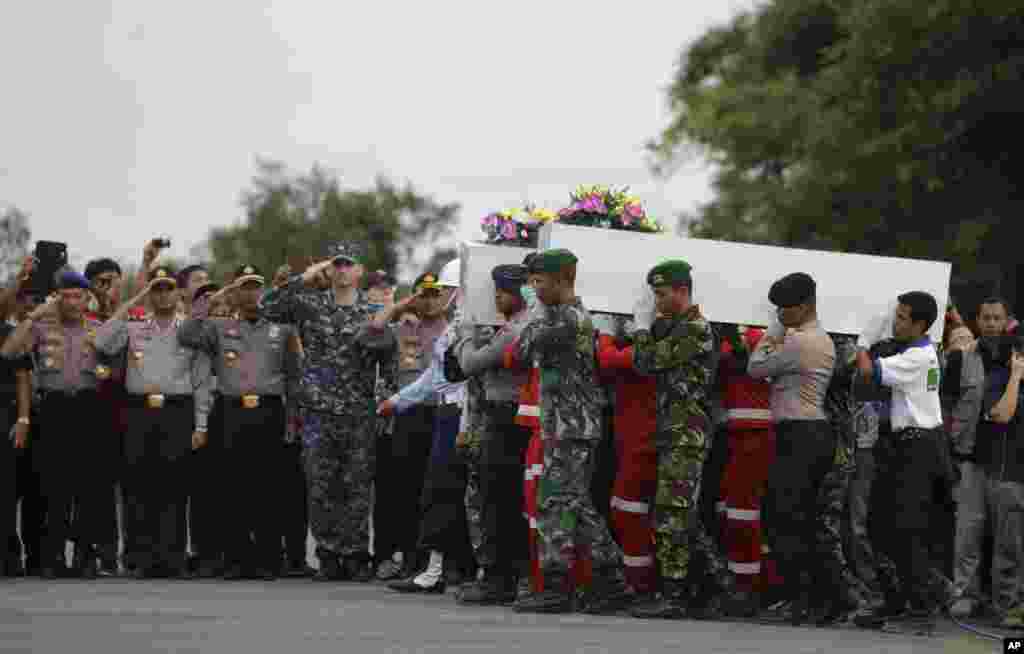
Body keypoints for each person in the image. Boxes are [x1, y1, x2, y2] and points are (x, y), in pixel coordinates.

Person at [504, 248, 625, 614]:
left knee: (555, 502)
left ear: (562, 281)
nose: (535, 291)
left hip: (572, 425)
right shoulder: (559, 315)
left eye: (539, 283)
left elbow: (521, 350)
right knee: (573, 503)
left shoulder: (568, 319)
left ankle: (558, 585)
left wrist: (535, 314)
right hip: (564, 423)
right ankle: (610, 578)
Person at [261, 243, 381, 581]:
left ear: (359, 271)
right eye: (336, 264)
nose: (342, 270)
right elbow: (267, 306)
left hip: (358, 412)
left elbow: (385, 361)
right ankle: (328, 553)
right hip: (318, 411)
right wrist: (305, 277)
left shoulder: (372, 312)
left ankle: (355, 553)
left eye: (349, 264)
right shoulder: (310, 306)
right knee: (320, 484)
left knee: (357, 486)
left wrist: (384, 406)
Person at [180, 264, 302, 580]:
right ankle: (235, 559)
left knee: (267, 489)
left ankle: (267, 559)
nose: (250, 293)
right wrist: (216, 296)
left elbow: (292, 378)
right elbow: (187, 333)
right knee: (231, 488)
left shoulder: (281, 330)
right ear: (235, 292)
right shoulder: (218, 328)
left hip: (269, 411)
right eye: (244, 287)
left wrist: (292, 421)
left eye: (255, 287)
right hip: (231, 411)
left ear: (261, 292)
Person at [626, 259, 731, 619]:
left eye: (661, 293)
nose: (656, 301)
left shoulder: (695, 329)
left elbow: (645, 362)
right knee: (677, 513)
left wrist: (641, 330)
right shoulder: (677, 326)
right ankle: (720, 587)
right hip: (675, 430)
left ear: (683, 291)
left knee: (673, 514)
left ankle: (677, 594)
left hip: (686, 432)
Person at [95, 264, 214, 579]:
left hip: (177, 410)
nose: (162, 294)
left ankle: (172, 557)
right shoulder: (135, 325)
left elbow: (201, 380)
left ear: (178, 293)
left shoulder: (190, 328)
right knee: (139, 484)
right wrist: (136, 298)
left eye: (168, 288)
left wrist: (201, 424)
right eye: (157, 288)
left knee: (174, 485)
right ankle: (141, 557)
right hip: (139, 411)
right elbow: (102, 341)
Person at [852, 292, 952, 632]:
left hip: (918, 448)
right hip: (908, 446)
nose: (896, 322)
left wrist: (864, 342)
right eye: (896, 315)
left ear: (921, 325)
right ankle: (900, 597)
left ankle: (927, 600)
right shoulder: (915, 351)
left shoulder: (920, 357)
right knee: (880, 525)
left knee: (905, 529)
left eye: (902, 318)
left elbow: (868, 371)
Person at [1, 271, 107, 578]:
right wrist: (35, 315)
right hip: (53, 408)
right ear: (58, 297)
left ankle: (86, 557)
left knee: (88, 488)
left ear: (87, 298)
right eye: (67, 295)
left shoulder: (98, 328)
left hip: (88, 408)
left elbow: (114, 364)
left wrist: (103, 371)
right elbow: (8, 351)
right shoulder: (42, 327)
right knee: (54, 486)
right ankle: (53, 557)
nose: (73, 302)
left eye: (78, 296)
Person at [747, 272, 838, 624]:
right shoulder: (817, 338)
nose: (780, 315)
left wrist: (771, 332)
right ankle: (810, 599)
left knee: (789, 519)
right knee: (795, 518)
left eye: (784, 309)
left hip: (802, 435)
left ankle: (804, 600)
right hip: (806, 434)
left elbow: (755, 368)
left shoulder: (800, 342)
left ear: (804, 307)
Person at [381, 259, 476, 594]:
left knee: (457, 493)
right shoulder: (457, 327)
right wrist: (397, 401)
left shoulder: (470, 326)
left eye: (449, 290)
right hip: (449, 413)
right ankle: (436, 570)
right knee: (439, 491)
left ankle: (463, 570)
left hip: (464, 415)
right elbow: (433, 378)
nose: (445, 296)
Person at [361, 270, 453, 581]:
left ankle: (427, 559)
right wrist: (404, 305)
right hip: (403, 415)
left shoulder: (451, 327)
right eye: (423, 294)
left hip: (439, 412)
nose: (430, 300)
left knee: (433, 489)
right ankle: (391, 555)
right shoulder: (399, 328)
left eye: (435, 293)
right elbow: (371, 331)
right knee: (398, 490)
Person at [453, 264, 532, 605]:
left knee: (498, 499)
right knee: (501, 498)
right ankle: (504, 577)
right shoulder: (514, 327)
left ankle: (500, 580)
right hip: (505, 417)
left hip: (505, 419)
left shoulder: (517, 328)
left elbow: (469, 363)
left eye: (504, 291)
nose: (498, 297)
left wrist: (466, 335)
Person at [943, 297, 1024, 624]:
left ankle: (1006, 601)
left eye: (997, 318)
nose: (991, 323)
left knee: (1008, 535)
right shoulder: (961, 359)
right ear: (976, 321)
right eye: (985, 317)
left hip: (1006, 457)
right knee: (967, 533)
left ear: (1006, 321)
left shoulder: (1014, 357)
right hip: (969, 458)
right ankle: (965, 597)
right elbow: (946, 405)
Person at [593, 315, 658, 601]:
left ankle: (642, 584)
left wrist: (607, 332)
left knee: (628, 511)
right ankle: (640, 582)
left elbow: (608, 359)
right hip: (628, 439)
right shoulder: (631, 346)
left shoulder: (652, 346)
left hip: (645, 440)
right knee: (626, 511)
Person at [0, 301, 34, 576]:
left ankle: (9, 557)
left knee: (7, 491)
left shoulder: (11, 332)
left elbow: (23, 376)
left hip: (5, 418)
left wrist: (23, 418)